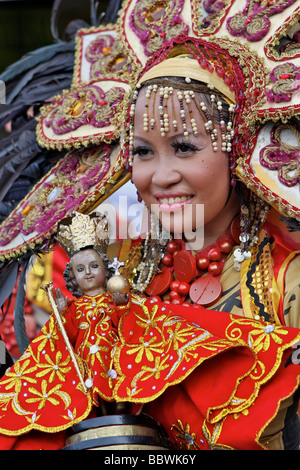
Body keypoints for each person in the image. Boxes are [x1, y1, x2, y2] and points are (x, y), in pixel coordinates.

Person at [0, 0, 300, 451]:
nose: (160, 176)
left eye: (184, 146)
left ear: (238, 148)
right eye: (142, 152)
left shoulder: (286, 283)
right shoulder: (109, 274)